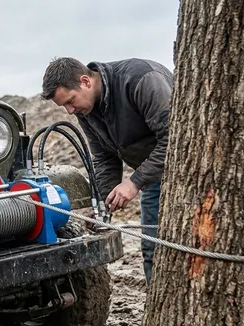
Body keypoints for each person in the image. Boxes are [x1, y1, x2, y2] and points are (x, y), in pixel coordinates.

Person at [40, 57, 173, 285]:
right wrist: (101, 206)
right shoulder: (86, 110)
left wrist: (134, 182)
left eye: (70, 101)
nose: (70, 111)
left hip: (187, 173)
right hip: (153, 178)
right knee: (153, 250)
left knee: (181, 245)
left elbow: (174, 140)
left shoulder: (142, 80)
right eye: (64, 107)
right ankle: (158, 303)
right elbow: (104, 157)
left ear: (85, 81)